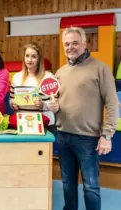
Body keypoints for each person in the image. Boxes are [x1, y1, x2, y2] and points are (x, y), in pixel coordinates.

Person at [49, 27, 119, 210]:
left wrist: (107, 135)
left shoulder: (100, 68)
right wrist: (54, 106)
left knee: (91, 187)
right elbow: (56, 101)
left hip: (88, 139)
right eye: (67, 44)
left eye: (74, 43)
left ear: (84, 44)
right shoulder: (60, 72)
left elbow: (112, 103)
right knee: (67, 184)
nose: (70, 47)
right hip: (63, 136)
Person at [9, 42, 55, 127]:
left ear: (39, 59)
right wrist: (13, 104)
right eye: (27, 56)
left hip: (44, 124)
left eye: (33, 56)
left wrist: (43, 104)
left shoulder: (48, 77)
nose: (29, 60)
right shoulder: (16, 77)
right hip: (22, 122)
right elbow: (11, 99)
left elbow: (55, 103)